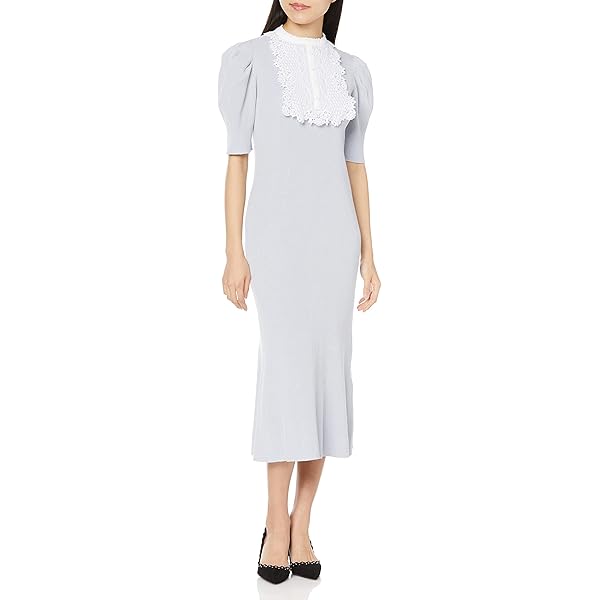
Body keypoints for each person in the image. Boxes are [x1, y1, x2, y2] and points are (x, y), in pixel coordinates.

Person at [218, 0, 381, 584]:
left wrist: (368, 254)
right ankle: (274, 523)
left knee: (325, 376)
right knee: (287, 376)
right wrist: (234, 251)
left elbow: (355, 166)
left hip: (335, 243)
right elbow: (237, 160)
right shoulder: (249, 60)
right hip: (276, 243)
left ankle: (303, 522)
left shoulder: (351, 70)